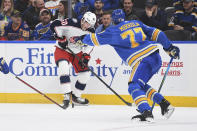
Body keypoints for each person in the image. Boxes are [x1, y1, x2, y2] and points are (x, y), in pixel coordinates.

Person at [75, 9, 179, 122]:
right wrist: (169, 47)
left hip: (142, 60)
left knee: (133, 86)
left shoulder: (113, 30)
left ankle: (146, 112)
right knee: (141, 85)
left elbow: (93, 39)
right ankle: (165, 105)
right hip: (155, 57)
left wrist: (79, 39)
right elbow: (157, 33)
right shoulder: (136, 23)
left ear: (113, 20)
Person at [50, 11, 96, 109]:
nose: (87, 26)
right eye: (86, 22)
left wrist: (86, 56)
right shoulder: (72, 22)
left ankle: (76, 97)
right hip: (63, 49)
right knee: (63, 67)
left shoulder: (91, 31)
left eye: (90, 24)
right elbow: (54, 24)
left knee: (86, 74)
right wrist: (60, 38)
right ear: (82, 19)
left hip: (77, 52)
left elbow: (91, 45)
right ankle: (66, 95)